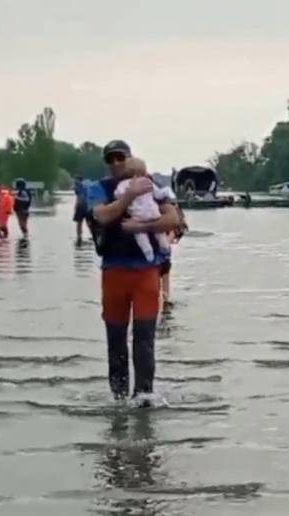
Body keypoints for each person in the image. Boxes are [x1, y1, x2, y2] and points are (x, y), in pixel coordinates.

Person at [87, 140, 181, 404]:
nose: (116, 163)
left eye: (121, 157)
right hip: (114, 271)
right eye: (111, 159)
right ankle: (118, 399)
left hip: (146, 273)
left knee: (144, 338)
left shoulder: (149, 183)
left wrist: (139, 227)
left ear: (130, 158)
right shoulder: (99, 189)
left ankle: (144, 398)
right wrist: (128, 196)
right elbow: (102, 216)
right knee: (116, 339)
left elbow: (173, 219)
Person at [114, 158, 171, 262]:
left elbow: (117, 195)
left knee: (140, 234)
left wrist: (128, 194)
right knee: (159, 231)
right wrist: (166, 192)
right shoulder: (147, 181)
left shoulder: (123, 184)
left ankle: (148, 251)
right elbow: (158, 194)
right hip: (153, 212)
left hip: (138, 215)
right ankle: (165, 246)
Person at [73, 175, 89, 245]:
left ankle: (79, 236)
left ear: (79, 180)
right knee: (90, 222)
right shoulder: (88, 184)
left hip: (81, 206)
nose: (74, 181)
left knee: (79, 222)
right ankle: (94, 235)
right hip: (89, 205)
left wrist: (76, 206)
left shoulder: (78, 186)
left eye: (75, 180)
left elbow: (79, 197)